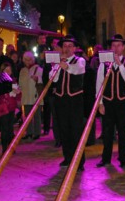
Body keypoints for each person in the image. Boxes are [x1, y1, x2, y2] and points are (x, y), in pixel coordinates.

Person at [96, 34, 125, 169]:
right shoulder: (104, 64)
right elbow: (99, 84)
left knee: (123, 132)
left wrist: (120, 65)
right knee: (107, 132)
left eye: (119, 45)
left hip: (123, 102)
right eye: (113, 45)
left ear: (123, 47)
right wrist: (100, 102)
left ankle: (123, 158)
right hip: (108, 102)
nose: (116, 48)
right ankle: (105, 158)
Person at [49, 34, 86, 171]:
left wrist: (66, 66)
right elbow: (53, 79)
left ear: (75, 48)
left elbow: (78, 70)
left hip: (75, 100)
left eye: (70, 46)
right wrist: (58, 66)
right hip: (61, 100)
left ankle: (79, 161)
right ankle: (67, 158)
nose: (67, 48)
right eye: (65, 46)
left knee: (76, 131)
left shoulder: (80, 60)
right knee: (63, 130)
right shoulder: (59, 61)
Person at [0, 62, 21, 154]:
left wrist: (18, 93)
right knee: (4, 128)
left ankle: (10, 147)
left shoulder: (13, 80)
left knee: (10, 128)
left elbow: (18, 96)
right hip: (3, 107)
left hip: (11, 106)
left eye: (9, 70)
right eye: (6, 70)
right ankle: (5, 148)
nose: (8, 71)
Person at [19, 51, 43, 140]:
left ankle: (37, 133)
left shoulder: (39, 69)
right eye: (26, 60)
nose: (28, 61)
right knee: (27, 116)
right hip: (25, 97)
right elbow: (20, 84)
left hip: (35, 96)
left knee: (37, 116)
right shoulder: (22, 70)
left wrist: (38, 79)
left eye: (30, 59)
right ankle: (29, 132)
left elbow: (43, 81)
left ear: (33, 59)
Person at [42, 38, 62, 147]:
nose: (56, 49)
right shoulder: (49, 61)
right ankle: (58, 139)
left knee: (62, 116)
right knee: (55, 116)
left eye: (58, 47)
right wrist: (52, 87)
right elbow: (46, 76)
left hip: (61, 92)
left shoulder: (64, 60)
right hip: (52, 94)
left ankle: (63, 137)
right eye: (55, 47)